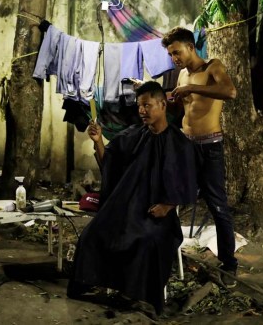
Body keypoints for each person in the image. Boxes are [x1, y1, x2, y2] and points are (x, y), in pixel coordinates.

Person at [67, 81, 198, 316]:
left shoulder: (179, 143)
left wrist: (167, 206)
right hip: (125, 207)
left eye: (147, 105)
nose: (141, 111)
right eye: (139, 106)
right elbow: (110, 163)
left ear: (162, 105)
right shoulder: (133, 135)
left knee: (147, 241)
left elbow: (187, 184)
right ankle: (89, 283)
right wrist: (98, 142)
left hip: (155, 215)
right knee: (92, 234)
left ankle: (144, 296)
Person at [161, 26, 239, 287]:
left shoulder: (212, 67)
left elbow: (230, 92)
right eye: (171, 55)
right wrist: (166, 98)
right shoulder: (182, 74)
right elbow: (183, 106)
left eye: (177, 52)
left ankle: (229, 266)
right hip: (187, 145)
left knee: (218, 206)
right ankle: (170, 254)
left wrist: (194, 89)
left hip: (209, 147)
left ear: (190, 47)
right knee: (172, 197)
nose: (175, 59)